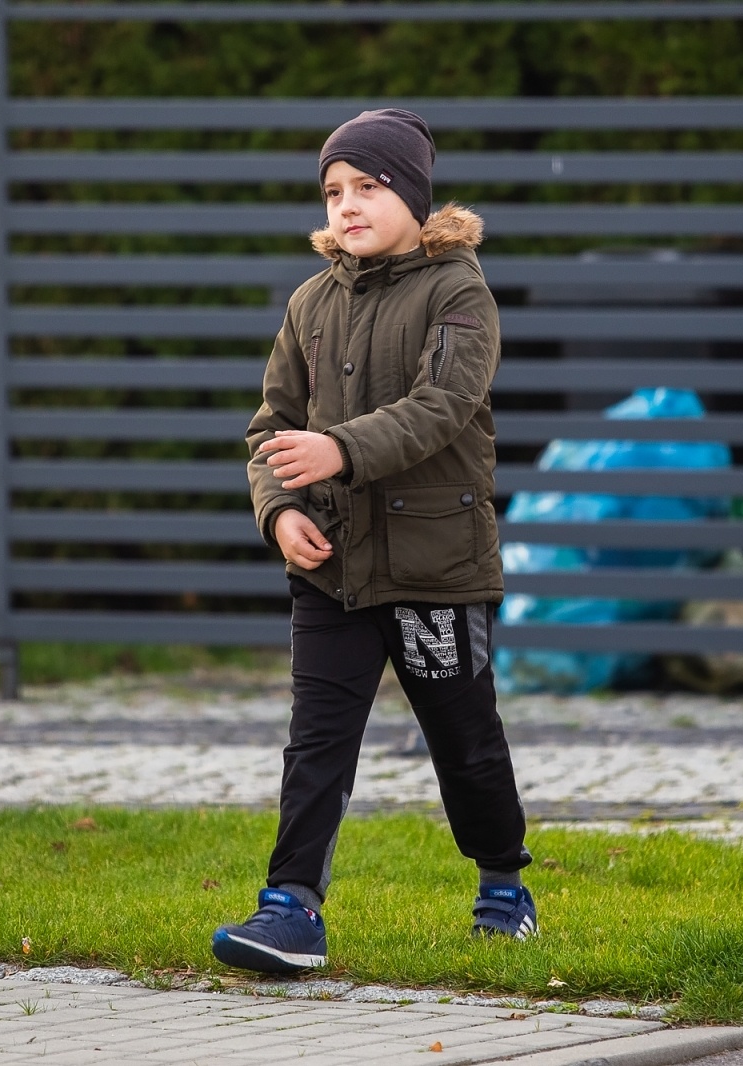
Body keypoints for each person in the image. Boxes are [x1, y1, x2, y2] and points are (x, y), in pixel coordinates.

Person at [210, 109, 536, 974]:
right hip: (333, 572)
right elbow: (272, 428)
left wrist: (342, 449)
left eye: (367, 186)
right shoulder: (310, 304)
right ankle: (290, 910)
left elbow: (442, 408)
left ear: (414, 195)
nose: (346, 204)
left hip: (436, 570)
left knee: (463, 739)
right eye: (332, 190)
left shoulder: (459, 291)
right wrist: (280, 510)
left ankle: (504, 883)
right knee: (318, 738)